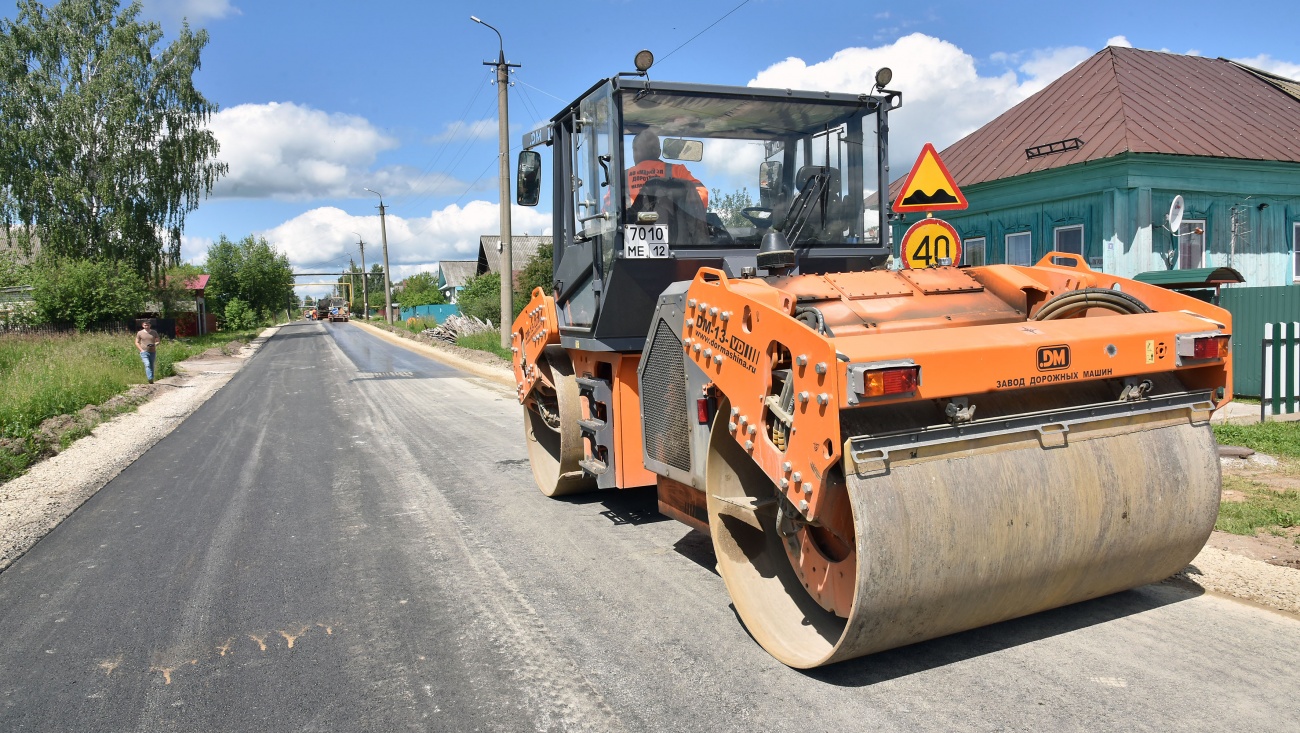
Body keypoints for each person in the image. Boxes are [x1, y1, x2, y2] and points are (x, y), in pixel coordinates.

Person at [625, 130, 709, 209]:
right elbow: (703, 196)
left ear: (635, 151)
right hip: (673, 224)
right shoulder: (677, 171)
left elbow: (613, 206)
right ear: (659, 152)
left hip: (631, 223)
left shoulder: (622, 176)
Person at [135, 319, 161, 384]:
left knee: (151, 365)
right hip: (144, 352)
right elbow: (136, 342)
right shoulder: (140, 333)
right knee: (147, 364)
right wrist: (141, 350)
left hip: (152, 351)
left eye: (148, 325)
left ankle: (151, 379)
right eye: (145, 325)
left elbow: (158, 341)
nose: (147, 326)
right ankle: (149, 378)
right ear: (143, 325)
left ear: (150, 325)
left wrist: (154, 344)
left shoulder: (154, 332)